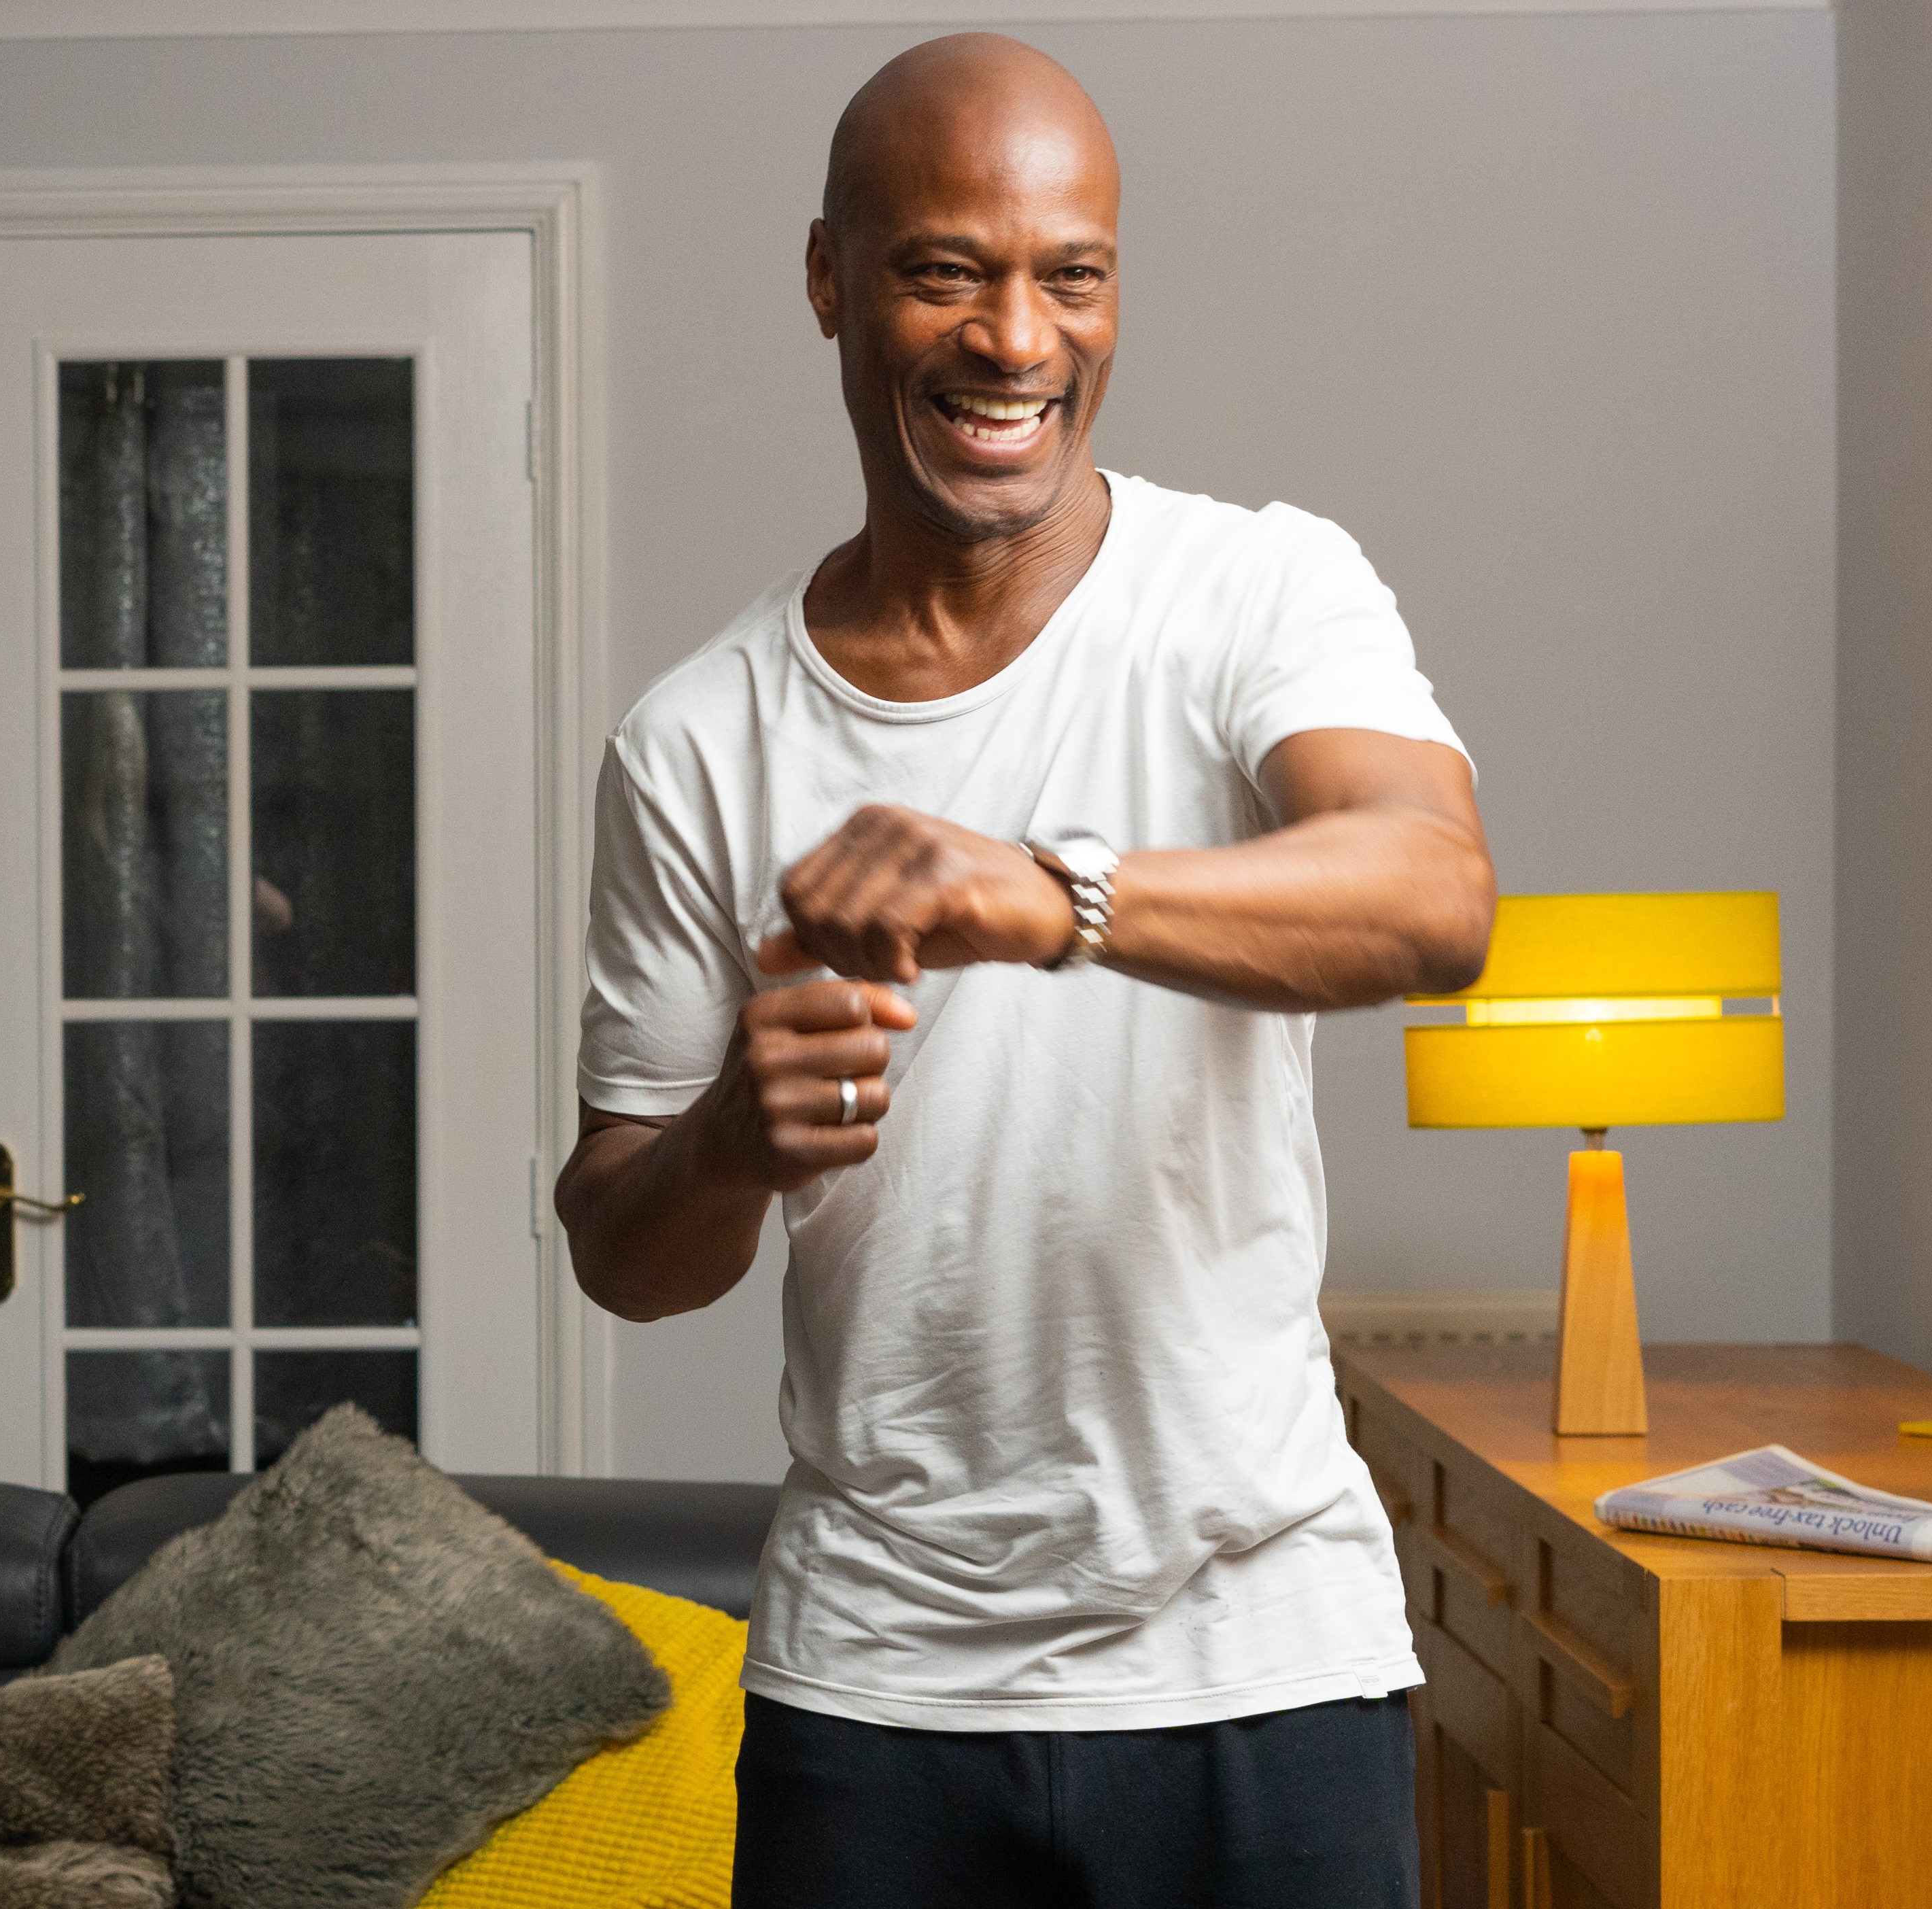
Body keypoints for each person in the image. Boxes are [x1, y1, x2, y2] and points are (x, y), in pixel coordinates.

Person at [553, 35, 1494, 1909]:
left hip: (1262, 1658)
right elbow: (617, 1248)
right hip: (874, 1691)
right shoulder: (697, 740)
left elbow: (1429, 898)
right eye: (942, 270)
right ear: (829, 277)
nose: (1013, 339)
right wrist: (730, 1141)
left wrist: (1040, 892)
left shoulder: (1254, 592)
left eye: (1069, 274)